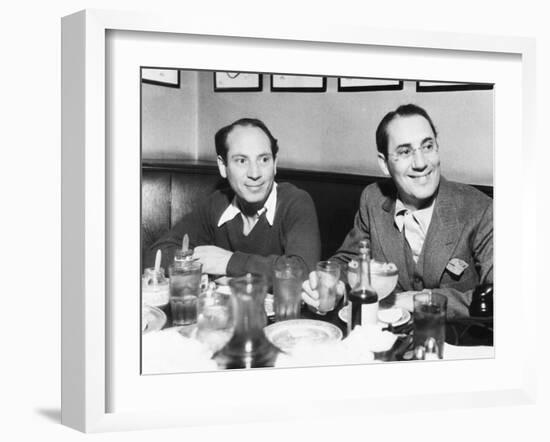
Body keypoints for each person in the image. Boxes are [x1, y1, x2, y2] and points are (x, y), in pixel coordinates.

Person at [302, 104, 493, 318]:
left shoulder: (480, 209)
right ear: (384, 164)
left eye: (427, 146)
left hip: (458, 345)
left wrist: (416, 300)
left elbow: (502, 296)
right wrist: (334, 287)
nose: (421, 163)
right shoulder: (373, 200)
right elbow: (351, 261)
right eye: (404, 152)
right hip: (388, 340)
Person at [145, 117, 321, 279]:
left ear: (275, 164)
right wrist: (200, 261)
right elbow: (155, 256)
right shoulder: (217, 203)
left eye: (264, 159)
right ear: (223, 166)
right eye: (241, 161)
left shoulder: (295, 202)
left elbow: (305, 271)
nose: (255, 173)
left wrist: (229, 262)